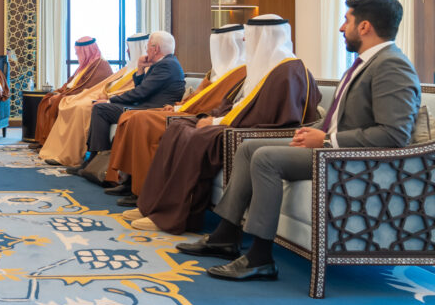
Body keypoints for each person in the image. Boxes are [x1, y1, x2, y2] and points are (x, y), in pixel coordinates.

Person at [178, 0, 420, 281]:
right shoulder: (366, 62)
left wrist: (327, 141)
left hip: (352, 159)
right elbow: (342, 117)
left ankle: (259, 258)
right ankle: (226, 236)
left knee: (266, 158)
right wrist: (314, 130)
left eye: (347, 20)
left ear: (365, 27)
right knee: (248, 147)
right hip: (332, 148)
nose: (342, 27)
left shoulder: (392, 65)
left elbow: (394, 134)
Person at [126, 15, 321, 234]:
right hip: (236, 123)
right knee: (177, 127)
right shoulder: (265, 67)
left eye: (250, 36)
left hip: (250, 132)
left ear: (265, 38)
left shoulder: (289, 71)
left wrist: (215, 121)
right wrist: (212, 117)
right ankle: (150, 206)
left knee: (196, 137)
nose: (245, 41)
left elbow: (265, 116)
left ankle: (172, 215)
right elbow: (235, 103)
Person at [102, 24, 247, 204]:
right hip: (185, 109)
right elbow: (197, 97)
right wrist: (178, 107)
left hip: (201, 115)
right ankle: (128, 181)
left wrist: (181, 109)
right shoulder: (215, 73)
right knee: (128, 117)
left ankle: (141, 190)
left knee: (140, 119)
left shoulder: (239, 73)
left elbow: (214, 104)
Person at [73, 31, 186, 175]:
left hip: (152, 111)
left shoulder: (166, 65)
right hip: (144, 106)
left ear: (155, 49)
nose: (146, 51)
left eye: (147, 47)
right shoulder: (165, 63)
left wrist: (110, 100)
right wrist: (140, 69)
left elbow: (140, 93)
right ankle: (94, 161)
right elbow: (143, 89)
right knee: (100, 108)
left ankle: (97, 161)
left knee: (101, 108)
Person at [39, 33, 149, 167]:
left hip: (115, 101)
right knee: (69, 102)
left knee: (79, 107)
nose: (127, 51)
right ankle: (59, 152)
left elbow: (133, 91)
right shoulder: (128, 68)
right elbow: (104, 85)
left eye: (129, 48)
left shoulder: (144, 70)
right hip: (103, 96)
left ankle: (71, 156)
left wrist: (108, 98)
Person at [30, 36, 112, 147]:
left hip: (83, 96)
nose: (76, 55)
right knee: (46, 99)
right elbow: (71, 83)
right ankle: (43, 140)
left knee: (56, 101)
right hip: (73, 93)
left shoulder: (101, 65)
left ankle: (52, 143)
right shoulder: (85, 66)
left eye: (78, 53)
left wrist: (63, 95)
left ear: (86, 51)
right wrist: (60, 91)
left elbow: (88, 88)